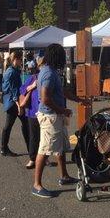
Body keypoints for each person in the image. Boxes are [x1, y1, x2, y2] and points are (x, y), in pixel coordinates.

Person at [32, 43, 90, 198]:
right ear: (57, 57)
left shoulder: (50, 71)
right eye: (63, 56)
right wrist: (63, 110)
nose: (64, 59)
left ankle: (64, 175)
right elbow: (45, 99)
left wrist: (78, 100)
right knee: (45, 150)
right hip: (50, 117)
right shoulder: (49, 74)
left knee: (61, 147)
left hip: (55, 116)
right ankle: (36, 185)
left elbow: (62, 91)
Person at [0, 50, 30, 156]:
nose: (21, 62)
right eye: (20, 60)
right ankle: (31, 150)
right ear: (15, 60)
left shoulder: (10, 70)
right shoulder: (12, 72)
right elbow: (14, 91)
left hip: (10, 102)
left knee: (10, 125)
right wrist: (19, 105)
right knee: (24, 124)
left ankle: (4, 148)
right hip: (14, 102)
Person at [19, 57, 42, 169]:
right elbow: (22, 90)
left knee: (43, 137)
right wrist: (32, 86)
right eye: (41, 65)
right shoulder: (33, 78)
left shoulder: (49, 77)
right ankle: (32, 158)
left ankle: (43, 158)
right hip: (32, 111)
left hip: (44, 112)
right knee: (34, 136)